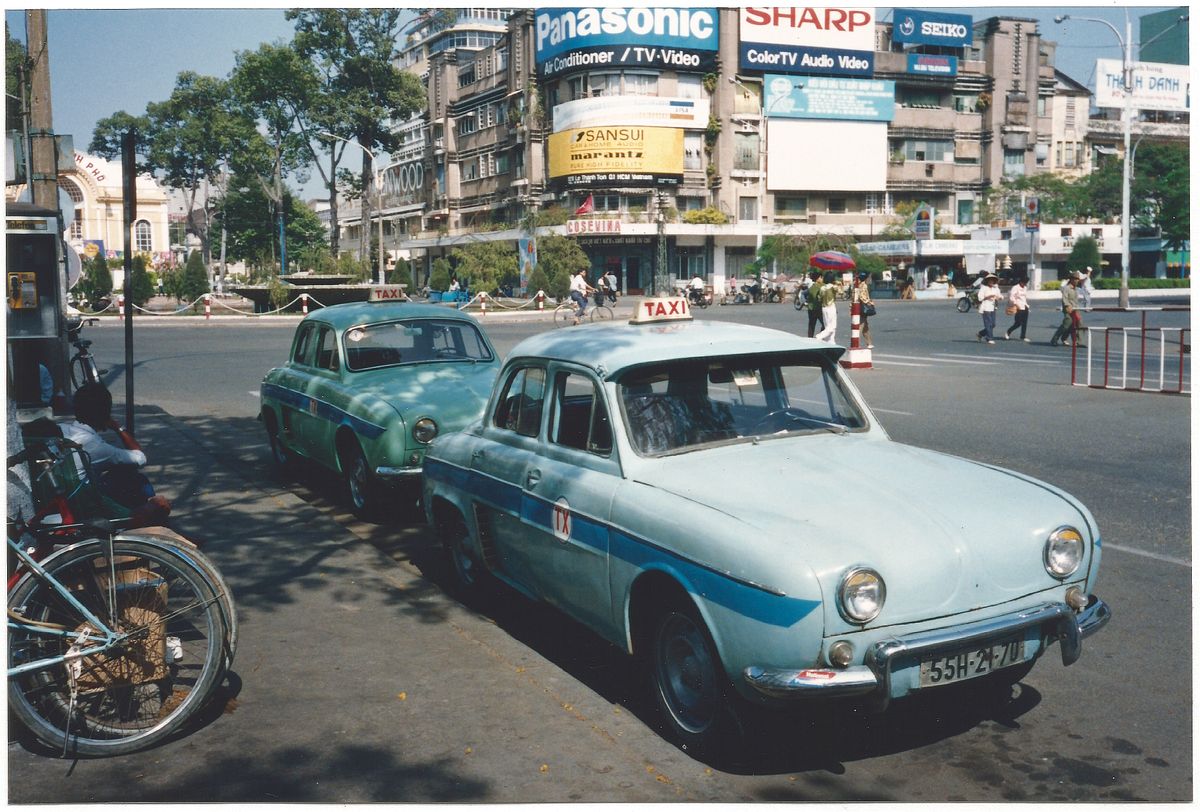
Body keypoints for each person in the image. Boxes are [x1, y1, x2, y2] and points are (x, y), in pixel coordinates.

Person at [60, 382, 171, 525]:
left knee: (124, 475)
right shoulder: (94, 445)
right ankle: (156, 525)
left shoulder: (62, 429)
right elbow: (139, 457)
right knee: (145, 488)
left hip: (68, 494)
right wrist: (118, 427)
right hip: (87, 505)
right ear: (105, 413)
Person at [1050, 271, 1086, 347]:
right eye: (1076, 279)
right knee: (1067, 323)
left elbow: (1075, 300)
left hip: (1075, 309)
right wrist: (1067, 306)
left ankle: (1080, 342)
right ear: (1071, 279)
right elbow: (1064, 298)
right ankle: (1055, 339)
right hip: (1068, 309)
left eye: (1078, 279)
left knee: (1079, 324)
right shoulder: (1066, 288)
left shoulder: (1076, 289)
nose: (1077, 281)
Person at [975, 272, 1003, 344]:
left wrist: (999, 297)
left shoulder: (995, 289)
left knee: (993, 324)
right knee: (988, 323)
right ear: (987, 281)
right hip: (985, 307)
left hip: (993, 307)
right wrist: (987, 297)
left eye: (992, 280)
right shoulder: (984, 288)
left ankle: (980, 334)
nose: (991, 282)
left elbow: (1000, 296)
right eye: (989, 280)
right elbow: (980, 298)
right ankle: (989, 338)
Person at [851, 271, 875, 348]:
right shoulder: (864, 285)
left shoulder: (856, 285)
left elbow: (853, 297)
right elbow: (862, 296)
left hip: (857, 307)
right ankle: (856, 343)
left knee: (865, 325)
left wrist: (850, 307)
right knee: (861, 325)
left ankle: (869, 343)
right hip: (862, 307)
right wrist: (869, 302)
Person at [814, 271, 839, 343]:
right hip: (831, 307)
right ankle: (819, 336)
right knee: (833, 326)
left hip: (824, 307)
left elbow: (819, 298)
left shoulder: (822, 288)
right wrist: (838, 283)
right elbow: (841, 292)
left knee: (827, 325)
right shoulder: (833, 287)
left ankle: (831, 341)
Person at [1004, 276, 1031, 342]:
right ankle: (1008, 332)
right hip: (1018, 306)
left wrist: (1027, 306)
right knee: (1018, 323)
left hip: (1024, 306)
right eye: (1023, 283)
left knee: (1024, 323)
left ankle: (1023, 336)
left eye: (1025, 283)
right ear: (1020, 282)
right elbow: (1011, 297)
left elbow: (1024, 298)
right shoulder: (1015, 287)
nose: (1024, 284)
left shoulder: (1025, 288)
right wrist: (1016, 304)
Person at [805, 271, 825, 338]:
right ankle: (820, 336)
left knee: (811, 325)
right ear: (818, 278)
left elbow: (804, 294)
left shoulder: (811, 287)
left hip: (811, 308)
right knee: (825, 324)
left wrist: (806, 302)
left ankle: (810, 338)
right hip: (819, 308)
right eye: (821, 277)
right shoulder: (823, 286)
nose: (822, 279)